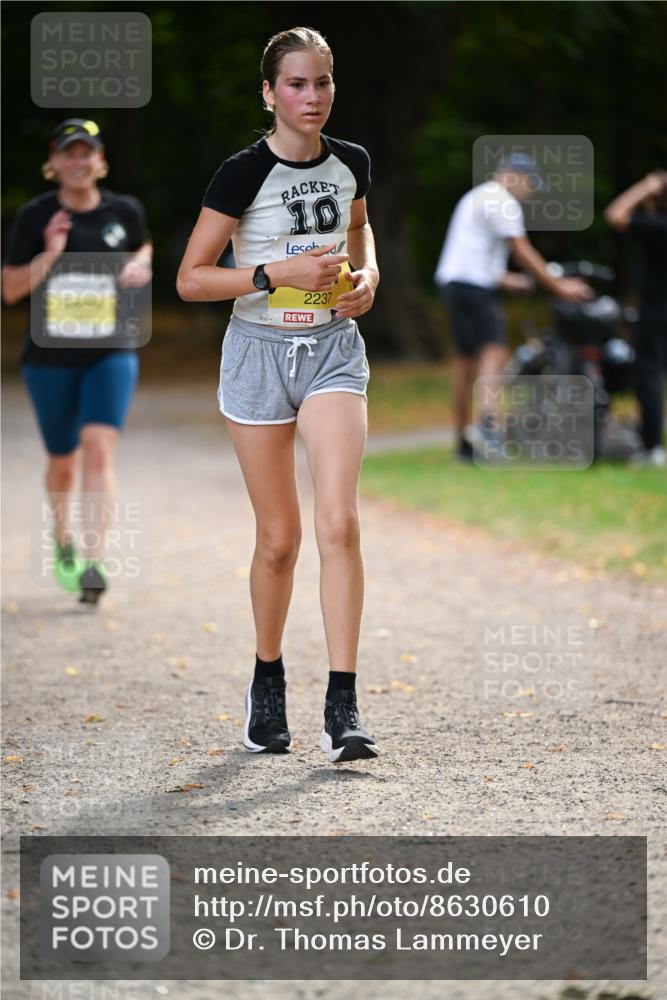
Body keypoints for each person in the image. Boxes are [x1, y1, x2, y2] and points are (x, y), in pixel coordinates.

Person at [177, 27, 380, 764]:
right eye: (295, 84)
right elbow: (191, 280)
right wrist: (273, 275)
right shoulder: (242, 174)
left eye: (321, 82)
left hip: (331, 351)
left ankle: (343, 704)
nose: (311, 97)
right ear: (269, 93)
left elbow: (359, 230)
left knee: (340, 522)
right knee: (279, 540)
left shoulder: (351, 162)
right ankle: (267, 681)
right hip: (258, 354)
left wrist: (368, 278)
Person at [2, 119, 152, 603]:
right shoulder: (35, 215)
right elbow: (10, 290)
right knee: (63, 462)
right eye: (69, 153)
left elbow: (142, 243)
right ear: (55, 162)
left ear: (99, 160)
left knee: (98, 447)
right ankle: (63, 536)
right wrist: (50, 254)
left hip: (111, 350)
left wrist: (141, 262)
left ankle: (93, 560)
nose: (78, 161)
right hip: (49, 358)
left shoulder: (124, 211)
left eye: (86, 152)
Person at [434, 155, 592, 461]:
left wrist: (510, 281)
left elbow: (473, 255)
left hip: (453, 284)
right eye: (530, 184)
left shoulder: (475, 197)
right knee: (494, 352)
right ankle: (489, 430)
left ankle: (463, 443)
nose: (529, 193)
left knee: (466, 364)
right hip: (475, 287)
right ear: (515, 176)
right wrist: (560, 286)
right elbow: (522, 251)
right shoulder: (502, 201)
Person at [604, 170, 667, 468]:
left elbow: (615, 214)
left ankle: (652, 447)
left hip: (656, 313)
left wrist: (644, 187)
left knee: (649, 377)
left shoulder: (657, 226)